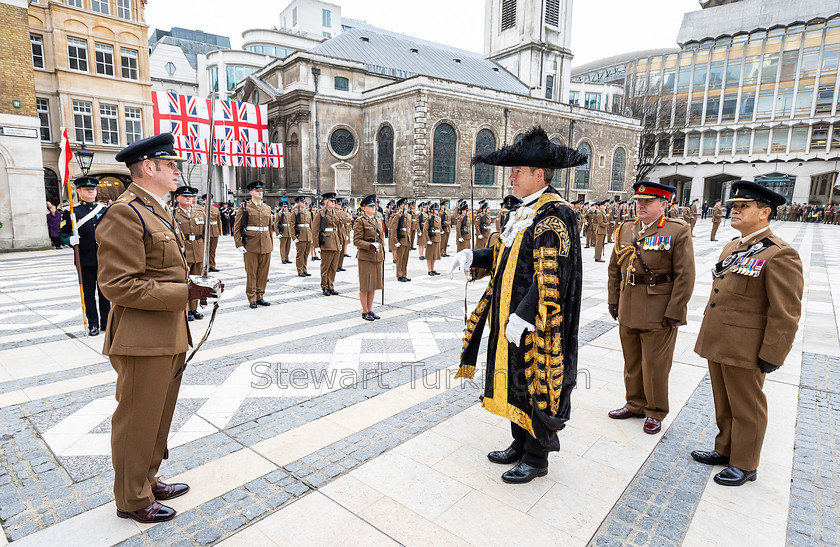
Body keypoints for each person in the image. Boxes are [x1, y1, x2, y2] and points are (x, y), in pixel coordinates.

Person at [449, 126, 584, 484]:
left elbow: (552, 274)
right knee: (512, 381)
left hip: (536, 322)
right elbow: (507, 257)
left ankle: (537, 456)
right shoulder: (523, 211)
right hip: (506, 315)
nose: (511, 177)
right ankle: (519, 442)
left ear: (538, 174)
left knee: (535, 384)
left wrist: (524, 315)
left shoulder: (554, 213)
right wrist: (474, 256)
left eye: (518, 172)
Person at [98, 133, 219, 523]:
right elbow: (118, 284)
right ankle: (132, 498)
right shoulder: (126, 212)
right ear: (148, 168)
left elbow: (164, 269)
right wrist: (184, 292)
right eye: (171, 165)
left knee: (159, 416)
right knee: (137, 419)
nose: (177, 171)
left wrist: (196, 287)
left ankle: (147, 479)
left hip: (167, 333)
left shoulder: (156, 209)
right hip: (140, 338)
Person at [692, 181, 803, 486]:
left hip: (746, 347)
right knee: (724, 401)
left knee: (747, 405)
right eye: (734, 206)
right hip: (720, 340)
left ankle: (745, 463)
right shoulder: (734, 245)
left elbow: (786, 312)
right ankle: (725, 449)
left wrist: (772, 354)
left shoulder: (780, 254)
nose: (735, 210)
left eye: (744, 207)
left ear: (765, 212)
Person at [607, 181, 695, 434]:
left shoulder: (677, 230)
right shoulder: (625, 228)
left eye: (647, 202)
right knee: (632, 360)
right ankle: (634, 403)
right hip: (629, 304)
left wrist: (675, 309)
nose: (640, 205)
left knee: (656, 364)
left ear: (664, 204)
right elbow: (615, 268)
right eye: (638, 201)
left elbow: (685, 274)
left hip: (659, 308)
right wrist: (614, 299)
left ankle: (655, 411)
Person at [60, 176, 110, 335]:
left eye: (93, 189)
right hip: (85, 258)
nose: (91, 191)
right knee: (88, 293)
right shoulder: (72, 211)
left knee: (105, 293)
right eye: (87, 189)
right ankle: (93, 324)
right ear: (79, 191)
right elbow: (62, 233)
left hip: (104, 258)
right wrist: (69, 240)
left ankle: (106, 322)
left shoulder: (103, 209)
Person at [234, 181, 273, 309]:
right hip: (251, 244)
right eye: (257, 191)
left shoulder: (267, 208)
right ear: (251, 192)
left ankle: (260, 295)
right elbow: (237, 226)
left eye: (261, 190)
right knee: (251, 272)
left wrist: (271, 244)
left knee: (263, 272)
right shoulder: (244, 207)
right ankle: (252, 297)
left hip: (266, 243)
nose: (260, 192)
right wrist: (238, 243)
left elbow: (269, 228)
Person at [173, 186, 205, 321]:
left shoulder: (199, 212)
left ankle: (194, 308)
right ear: (178, 198)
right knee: (185, 281)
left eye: (191, 197)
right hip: (183, 249)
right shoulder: (173, 214)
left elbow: (204, 232)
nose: (189, 199)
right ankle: (185, 309)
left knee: (196, 281)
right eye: (185, 196)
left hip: (198, 248)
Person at [353, 195, 385, 320]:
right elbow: (356, 241)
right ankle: (364, 311)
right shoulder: (360, 221)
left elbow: (381, 236)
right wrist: (369, 245)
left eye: (374, 206)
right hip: (366, 257)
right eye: (370, 206)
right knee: (365, 285)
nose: (373, 208)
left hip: (377, 256)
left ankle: (370, 309)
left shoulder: (378, 220)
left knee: (373, 285)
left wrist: (381, 246)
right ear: (364, 208)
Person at [312, 192, 342, 296]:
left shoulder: (336, 213)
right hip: (326, 242)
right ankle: (324, 286)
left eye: (334, 201)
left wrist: (340, 242)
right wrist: (316, 246)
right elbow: (315, 230)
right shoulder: (320, 213)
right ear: (325, 201)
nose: (334, 203)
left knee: (333, 267)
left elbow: (338, 228)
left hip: (335, 242)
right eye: (331, 201)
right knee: (325, 266)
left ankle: (331, 286)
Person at [389, 197, 412, 282]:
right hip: (401, 240)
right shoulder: (397, 216)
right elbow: (393, 229)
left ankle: (404, 274)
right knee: (400, 259)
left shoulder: (408, 215)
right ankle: (399, 275)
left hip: (407, 239)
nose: (406, 206)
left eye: (407, 204)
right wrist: (395, 241)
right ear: (401, 205)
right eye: (405, 204)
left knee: (405, 259)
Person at [293, 197, 313, 277]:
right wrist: (294, 237)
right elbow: (292, 225)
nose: (303, 203)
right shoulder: (294, 212)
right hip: (300, 236)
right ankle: (300, 270)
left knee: (306, 254)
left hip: (308, 235)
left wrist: (311, 236)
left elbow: (311, 224)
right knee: (300, 254)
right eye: (301, 202)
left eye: (304, 202)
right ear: (298, 203)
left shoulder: (308, 212)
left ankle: (304, 269)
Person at [202, 195, 221, 272]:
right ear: (204, 201)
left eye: (211, 200)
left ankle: (212, 265)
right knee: (206, 250)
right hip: (206, 232)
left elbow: (219, 221)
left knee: (213, 250)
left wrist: (219, 231)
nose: (210, 201)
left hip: (214, 231)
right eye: (207, 200)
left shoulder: (216, 210)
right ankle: (205, 265)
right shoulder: (202, 209)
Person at [423, 201, 443, 276]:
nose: (437, 211)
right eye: (436, 209)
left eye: (438, 209)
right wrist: (428, 240)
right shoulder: (429, 218)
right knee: (430, 255)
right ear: (432, 210)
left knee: (435, 255)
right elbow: (425, 230)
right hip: (431, 238)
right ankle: (429, 270)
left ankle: (433, 268)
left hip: (437, 238)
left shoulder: (439, 218)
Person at [275, 198, 294, 264]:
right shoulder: (279, 214)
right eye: (284, 207)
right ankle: (283, 258)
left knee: (288, 246)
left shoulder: (289, 213)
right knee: (283, 246)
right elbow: (276, 224)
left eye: (286, 207)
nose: (285, 208)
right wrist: (278, 233)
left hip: (289, 232)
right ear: (281, 207)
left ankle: (287, 258)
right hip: (283, 231)